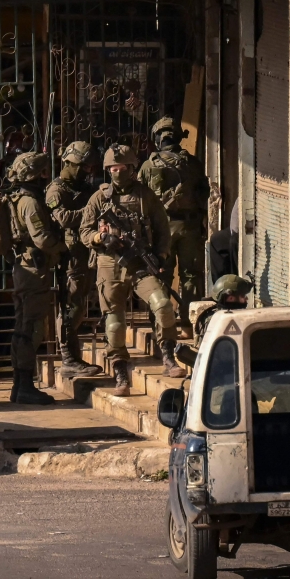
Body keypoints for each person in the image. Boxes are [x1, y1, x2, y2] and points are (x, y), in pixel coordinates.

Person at [80, 144, 185, 396]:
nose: (117, 172)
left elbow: (162, 228)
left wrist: (160, 255)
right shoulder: (98, 198)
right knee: (115, 324)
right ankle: (120, 372)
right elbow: (84, 232)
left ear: (131, 168)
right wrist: (100, 238)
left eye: (122, 168)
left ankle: (169, 357)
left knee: (162, 305)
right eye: (113, 168)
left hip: (139, 263)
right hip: (110, 264)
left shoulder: (145, 195)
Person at [138, 117, 210, 335]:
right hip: (189, 227)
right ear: (179, 136)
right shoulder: (193, 163)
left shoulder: (148, 166)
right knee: (191, 276)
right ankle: (190, 324)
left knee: (161, 275)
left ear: (157, 138)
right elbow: (205, 193)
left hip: (162, 230)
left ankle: (162, 326)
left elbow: (140, 200)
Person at [7, 152, 66, 405]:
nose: (45, 177)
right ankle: (24, 386)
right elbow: (41, 237)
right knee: (31, 328)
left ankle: (20, 386)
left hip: (25, 269)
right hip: (32, 270)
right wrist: (63, 247)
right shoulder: (29, 201)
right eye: (42, 172)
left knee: (24, 326)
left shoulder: (19, 196)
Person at [45, 141, 103, 378]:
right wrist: (92, 210)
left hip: (85, 253)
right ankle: (68, 358)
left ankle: (73, 357)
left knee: (79, 305)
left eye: (88, 167)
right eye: (81, 166)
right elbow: (64, 219)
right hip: (70, 258)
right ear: (67, 163)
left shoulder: (85, 188)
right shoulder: (56, 190)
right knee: (70, 307)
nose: (84, 171)